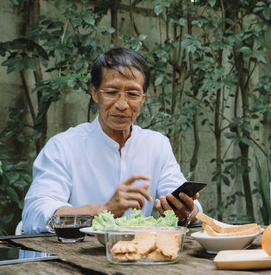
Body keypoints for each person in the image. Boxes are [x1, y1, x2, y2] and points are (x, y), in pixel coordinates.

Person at [22, 47, 201, 233]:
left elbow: (191, 208)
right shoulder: (63, 147)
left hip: (139, 256)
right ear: (94, 92)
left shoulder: (157, 145)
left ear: (143, 98)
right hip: (75, 255)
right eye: (111, 92)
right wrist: (104, 210)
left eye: (132, 94)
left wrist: (186, 211)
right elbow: (35, 216)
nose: (122, 105)